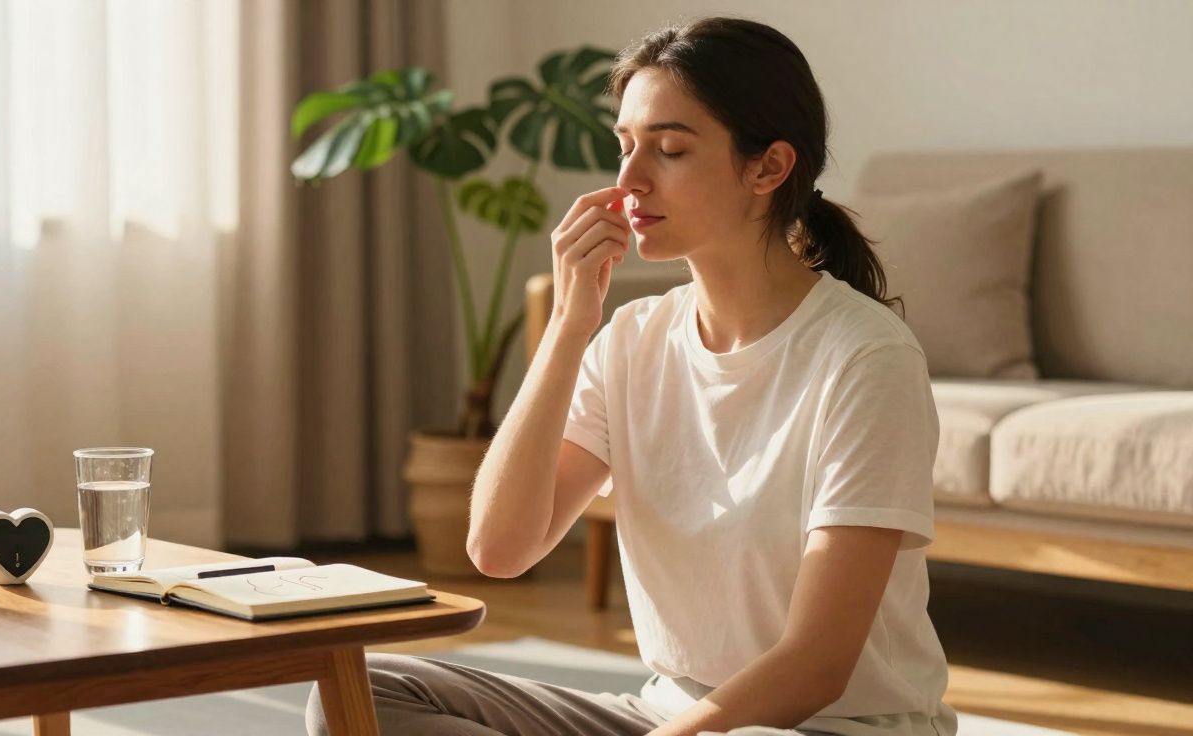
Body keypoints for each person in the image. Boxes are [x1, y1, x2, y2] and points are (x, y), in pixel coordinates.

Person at [307, 15, 958, 736]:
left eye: (670, 150)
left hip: (826, 726)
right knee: (362, 689)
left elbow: (815, 666)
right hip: (665, 716)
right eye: (624, 148)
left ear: (768, 168)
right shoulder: (631, 339)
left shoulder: (866, 358)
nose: (629, 182)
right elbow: (498, 548)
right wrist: (566, 328)